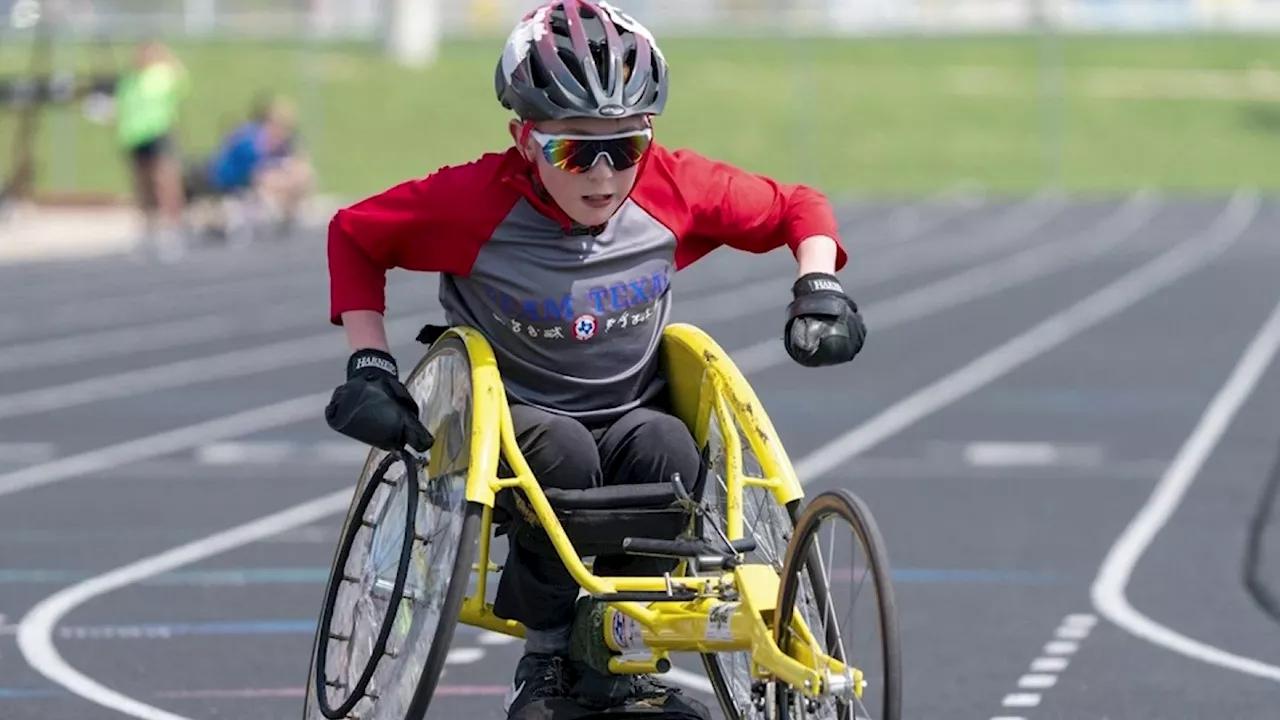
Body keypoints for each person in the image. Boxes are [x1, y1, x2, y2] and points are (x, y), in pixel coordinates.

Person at [322, 1, 867, 717]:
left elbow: (798, 207)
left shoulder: (671, 187)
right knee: (566, 454)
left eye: (626, 149)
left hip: (634, 410)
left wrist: (818, 285)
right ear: (524, 139)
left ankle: (620, 654)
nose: (605, 175)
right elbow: (356, 235)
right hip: (518, 425)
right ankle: (548, 653)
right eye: (576, 151)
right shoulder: (470, 204)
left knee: (670, 448)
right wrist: (370, 362)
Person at [113, 40, 188, 262]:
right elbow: (123, 110)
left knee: (165, 183)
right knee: (142, 187)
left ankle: (171, 230)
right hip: (135, 138)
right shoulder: (129, 81)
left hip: (158, 134)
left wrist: (166, 54)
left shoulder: (161, 75)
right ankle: (147, 230)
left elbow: (180, 77)